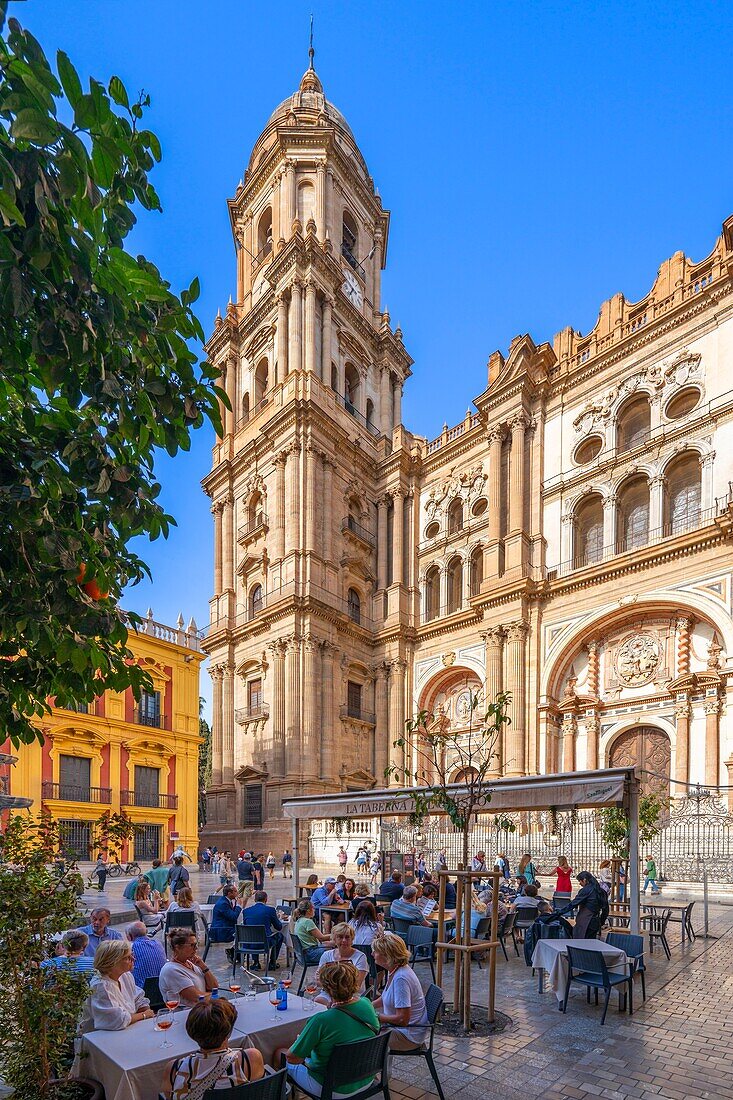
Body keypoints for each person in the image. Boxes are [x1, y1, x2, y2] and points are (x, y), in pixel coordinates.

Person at [280, 961, 380, 1096]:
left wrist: (308, 1058)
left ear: (327, 988)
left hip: (333, 1088)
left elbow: (293, 1058)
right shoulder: (366, 1004)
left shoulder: (321, 1020)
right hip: (365, 1078)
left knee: (280, 1052)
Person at [163, 998, 264, 1099]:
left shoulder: (173, 1069)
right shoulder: (250, 1059)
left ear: (192, 1033)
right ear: (229, 1032)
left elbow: (168, 1096)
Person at [371, 931, 429, 1050]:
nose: (372, 954)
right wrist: (364, 1006)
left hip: (408, 1037)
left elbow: (402, 1019)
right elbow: (386, 997)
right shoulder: (394, 969)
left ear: (387, 956)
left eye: (376, 951)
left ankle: (371, 1066)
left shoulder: (401, 979)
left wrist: (376, 1017)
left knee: (360, 1036)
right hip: (401, 1030)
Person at [80, 940, 154, 1031]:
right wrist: (144, 1015)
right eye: (127, 958)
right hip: (99, 1036)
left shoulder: (125, 975)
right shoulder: (101, 985)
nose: (133, 959)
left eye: (132, 955)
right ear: (112, 962)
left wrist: (147, 1012)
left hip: (126, 1029)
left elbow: (138, 998)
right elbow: (117, 1020)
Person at [159, 929, 219, 1006]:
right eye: (192, 945)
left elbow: (214, 986)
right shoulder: (171, 970)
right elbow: (197, 997)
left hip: (202, 1009)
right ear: (177, 947)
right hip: (186, 1013)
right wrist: (215, 995)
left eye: (196, 944)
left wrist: (204, 967)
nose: (196, 948)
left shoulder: (193, 964)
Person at [315, 923, 369, 1002]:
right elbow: (318, 981)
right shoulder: (326, 955)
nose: (344, 940)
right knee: (318, 1000)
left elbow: (356, 986)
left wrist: (329, 982)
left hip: (351, 995)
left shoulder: (360, 957)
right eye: (340, 937)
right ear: (334, 939)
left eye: (347, 937)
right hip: (328, 994)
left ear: (352, 939)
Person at [554, 871, 608, 939]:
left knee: (581, 942)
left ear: (584, 880)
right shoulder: (602, 891)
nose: (580, 883)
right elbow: (606, 911)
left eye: (580, 881)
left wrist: (558, 913)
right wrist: (601, 922)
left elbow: (573, 904)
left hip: (586, 922)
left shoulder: (586, 890)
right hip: (595, 921)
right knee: (592, 943)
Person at [241, 890, 284, 969]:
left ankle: (256, 962)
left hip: (249, 943)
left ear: (255, 900)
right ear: (266, 899)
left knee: (253, 933)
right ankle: (272, 962)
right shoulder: (270, 910)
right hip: (265, 943)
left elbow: (246, 925)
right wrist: (279, 918)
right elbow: (278, 927)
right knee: (280, 936)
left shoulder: (246, 911)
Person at [291, 898, 333, 965]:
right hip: (310, 954)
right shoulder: (308, 922)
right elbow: (322, 938)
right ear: (308, 911)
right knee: (336, 952)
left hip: (302, 953)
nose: (314, 910)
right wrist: (336, 934)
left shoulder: (299, 920)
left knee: (331, 945)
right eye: (313, 908)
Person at [127, 921, 167, 987]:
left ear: (130, 936)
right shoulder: (158, 944)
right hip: (162, 986)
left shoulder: (131, 947)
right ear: (147, 931)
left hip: (142, 989)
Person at [208, 885, 242, 952]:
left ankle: (234, 952)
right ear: (229, 893)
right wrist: (238, 906)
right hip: (222, 931)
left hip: (225, 927)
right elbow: (233, 917)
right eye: (235, 891)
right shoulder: (223, 903)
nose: (237, 893)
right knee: (244, 933)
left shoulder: (225, 900)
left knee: (242, 931)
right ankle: (235, 954)